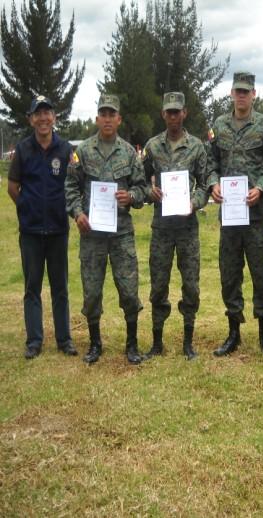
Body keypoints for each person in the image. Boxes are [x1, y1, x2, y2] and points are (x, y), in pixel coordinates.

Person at [65, 94, 147, 365]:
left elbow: (142, 187)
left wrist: (131, 197)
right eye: (104, 114)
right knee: (92, 291)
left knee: (129, 289)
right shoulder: (83, 151)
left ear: (119, 119)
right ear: (97, 118)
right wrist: (77, 213)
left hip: (121, 233)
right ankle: (95, 343)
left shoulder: (129, 152)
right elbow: (70, 187)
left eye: (113, 114)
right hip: (92, 236)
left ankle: (132, 344)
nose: (108, 119)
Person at [207, 72, 263, 356]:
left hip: (256, 216)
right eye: (237, 91)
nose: (241, 96)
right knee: (230, 274)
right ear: (231, 93)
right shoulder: (219, 126)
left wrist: (261, 188)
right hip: (230, 217)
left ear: (254, 94)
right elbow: (210, 162)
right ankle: (233, 332)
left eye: (246, 92)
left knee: (261, 274)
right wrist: (212, 183)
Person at [8, 95, 76, 359]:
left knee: (60, 287)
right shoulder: (23, 150)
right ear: (31, 119)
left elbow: (73, 185)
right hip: (31, 232)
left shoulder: (66, 149)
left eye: (48, 113)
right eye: (38, 114)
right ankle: (34, 341)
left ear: (54, 118)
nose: (43, 118)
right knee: (32, 287)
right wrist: (26, 206)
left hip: (58, 229)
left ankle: (64, 339)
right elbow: (13, 187)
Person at [142, 92, 208, 360]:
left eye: (177, 112)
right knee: (159, 284)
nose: (173, 116)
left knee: (190, 284)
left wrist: (194, 202)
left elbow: (205, 184)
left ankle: (188, 342)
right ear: (163, 114)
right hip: (162, 228)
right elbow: (140, 181)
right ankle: (157, 342)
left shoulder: (196, 147)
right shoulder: (152, 146)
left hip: (187, 228)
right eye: (168, 112)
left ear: (184, 113)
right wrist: (150, 192)